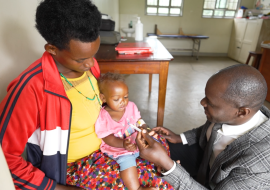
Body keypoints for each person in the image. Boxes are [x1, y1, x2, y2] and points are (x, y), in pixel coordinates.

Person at [0, 0, 173, 189]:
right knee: (158, 184)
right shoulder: (30, 89)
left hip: (106, 149)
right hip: (73, 168)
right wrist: (58, 188)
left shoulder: (90, 69)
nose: (91, 64)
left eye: (93, 54)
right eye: (81, 59)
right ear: (52, 49)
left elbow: (101, 110)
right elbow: (6, 160)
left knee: (162, 161)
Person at [136, 64, 270, 190]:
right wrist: (180, 137)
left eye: (210, 103)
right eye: (206, 96)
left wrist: (168, 166)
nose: (202, 102)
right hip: (206, 163)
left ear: (241, 112)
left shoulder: (260, 165)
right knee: (146, 155)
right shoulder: (231, 114)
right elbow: (210, 129)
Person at [95, 72, 157, 190]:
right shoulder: (104, 116)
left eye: (125, 97)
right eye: (117, 99)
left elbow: (139, 120)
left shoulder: (131, 107)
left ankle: (166, 166)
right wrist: (123, 144)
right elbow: (107, 137)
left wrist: (145, 129)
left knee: (155, 147)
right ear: (103, 98)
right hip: (119, 149)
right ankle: (137, 188)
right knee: (127, 162)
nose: (123, 102)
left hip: (137, 142)